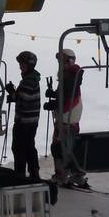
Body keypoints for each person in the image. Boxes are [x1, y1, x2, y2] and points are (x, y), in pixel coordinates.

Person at [44, 48, 87, 187]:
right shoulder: (70, 76)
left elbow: (66, 95)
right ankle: (75, 174)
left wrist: (55, 103)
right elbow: (64, 93)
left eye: (62, 61)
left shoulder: (70, 76)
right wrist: (54, 95)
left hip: (66, 117)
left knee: (58, 147)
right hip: (69, 116)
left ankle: (61, 175)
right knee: (69, 147)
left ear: (69, 61)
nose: (60, 64)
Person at [4, 51, 42, 181]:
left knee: (19, 148)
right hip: (30, 121)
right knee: (28, 146)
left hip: (25, 121)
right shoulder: (31, 78)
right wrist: (14, 95)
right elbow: (25, 97)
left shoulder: (29, 80)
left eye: (22, 64)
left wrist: (12, 93)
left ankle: (20, 174)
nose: (20, 66)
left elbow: (25, 97)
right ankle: (33, 173)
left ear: (29, 65)